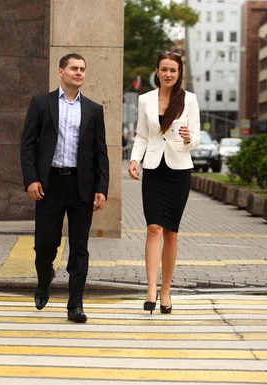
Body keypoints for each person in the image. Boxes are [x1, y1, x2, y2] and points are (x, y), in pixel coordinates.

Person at [20, 53, 109, 323]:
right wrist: (31, 179)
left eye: (82, 69)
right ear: (61, 72)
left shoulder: (93, 109)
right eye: (74, 68)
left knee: (80, 246)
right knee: (45, 244)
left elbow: (100, 152)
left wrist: (101, 188)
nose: (79, 73)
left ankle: (75, 304)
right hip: (50, 184)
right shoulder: (42, 103)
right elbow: (27, 145)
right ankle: (44, 277)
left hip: (82, 185)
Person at [127, 52, 200, 314]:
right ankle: (150, 289)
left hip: (179, 170)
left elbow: (197, 137)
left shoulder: (188, 99)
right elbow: (141, 136)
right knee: (153, 228)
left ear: (179, 73)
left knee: (171, 232)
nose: (168, 74)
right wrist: (135, 160)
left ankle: (166, 291)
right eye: (164, 69)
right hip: (154, 170)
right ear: (157, 72)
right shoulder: (145, 99)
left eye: (173, 70)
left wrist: (188, 137)